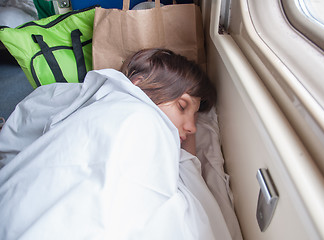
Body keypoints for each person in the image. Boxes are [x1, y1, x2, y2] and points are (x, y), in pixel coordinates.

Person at [0, 48, 231, 239]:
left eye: (195, 116)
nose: (192, 128)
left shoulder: (161, 133)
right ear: (138, 83)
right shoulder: (136, 114)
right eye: (182, 106)